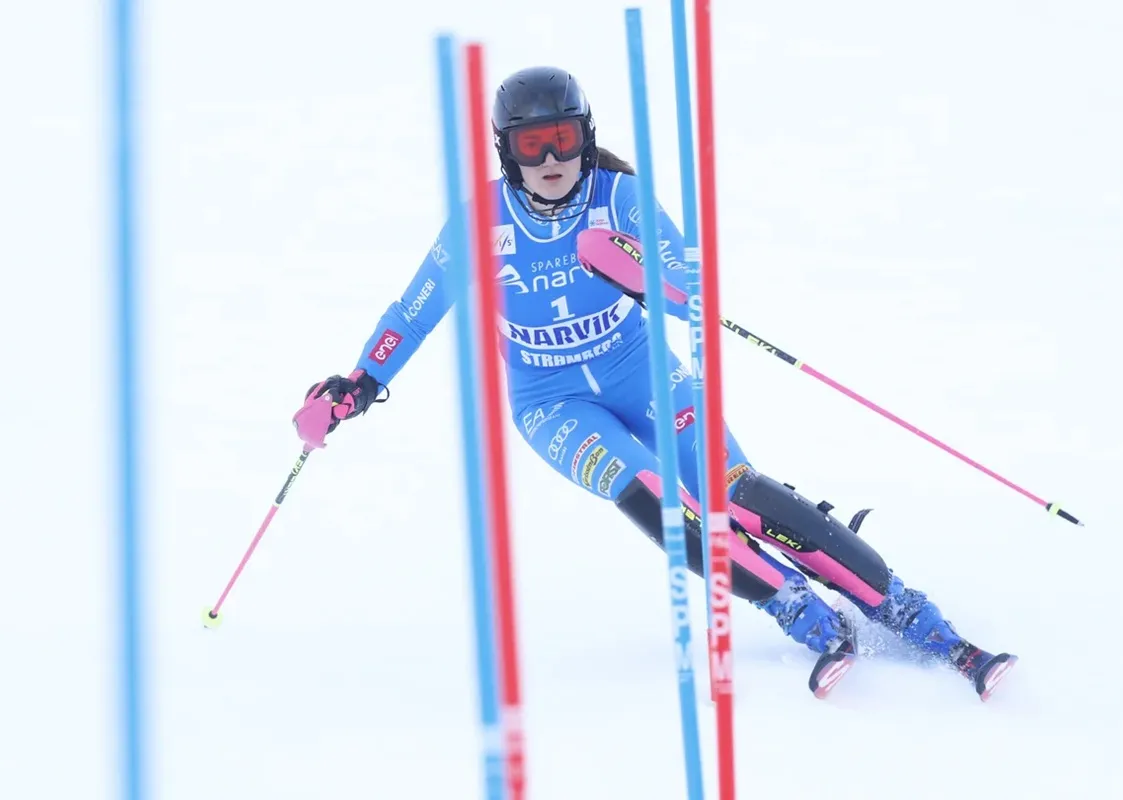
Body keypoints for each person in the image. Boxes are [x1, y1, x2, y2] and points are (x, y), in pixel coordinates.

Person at [293, 66, 1016, 700]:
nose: (551, 160)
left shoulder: (620, 197)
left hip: (639, 369)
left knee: (738, 496)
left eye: (563, 139)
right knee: (656, 498)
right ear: (505, 150)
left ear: (586, 137)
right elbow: (413, 311)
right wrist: (357, 384)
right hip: (551, 403)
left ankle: (922, 621)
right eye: (531, 144)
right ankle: (799, 612)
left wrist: (638, 273)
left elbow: (689, 286)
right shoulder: (482, 221)